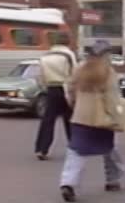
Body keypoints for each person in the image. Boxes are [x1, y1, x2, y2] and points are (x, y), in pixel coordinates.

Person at [59, 40, 125, 202]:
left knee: (76, 151)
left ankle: (68, 183)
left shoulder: (80, 68)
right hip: (102, 117)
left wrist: (75, 105)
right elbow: (112, 97)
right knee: (109, 149)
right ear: (105, 54)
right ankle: (112, 180)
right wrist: (117, 116)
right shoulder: (108, 72)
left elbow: (70, 89)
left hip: (81, 116)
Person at [34, 31, 77, 161]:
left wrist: (45, 86)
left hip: (51, 89)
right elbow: (74, 73)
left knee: (48, 120)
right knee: (70, 119)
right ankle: (75, 146)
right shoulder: (69, 55)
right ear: (67, 41)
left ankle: (42, 148)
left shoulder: (45, 56)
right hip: (65, 88)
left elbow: (40, 76)